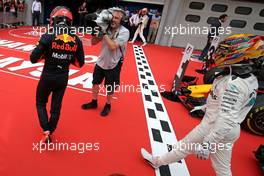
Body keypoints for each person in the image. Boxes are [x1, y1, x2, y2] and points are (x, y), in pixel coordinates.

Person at [141, 49, 264, 175]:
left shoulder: (234, 84)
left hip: (214, 126)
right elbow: (235, 105)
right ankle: (158, 161)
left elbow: (226, 118)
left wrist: (208, 144)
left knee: (183, 147)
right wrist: (206, 106)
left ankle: (157, 161)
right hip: (231, 130)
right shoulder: (251, 79)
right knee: (223, 168)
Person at [30, 6, 85, 143]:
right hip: (62, 78)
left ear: (54, 20)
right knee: (56, 107)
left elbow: (33, 58)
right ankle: (51, 129)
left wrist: (47, 54)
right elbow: (80, 64)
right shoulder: (76, 39)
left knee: (40, 102)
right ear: (70, 22)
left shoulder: (48, 35)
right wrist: (67, 56)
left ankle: (46, 130)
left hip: (47, 76)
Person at [81, 8, 129, 117]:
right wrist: (95, 30)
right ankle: (94, 102)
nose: (113, 20)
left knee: (110, 86)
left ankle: (108, 104)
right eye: (112, 17)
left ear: (121, 20)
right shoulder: (105, 27)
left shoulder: (124, 32)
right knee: (95, 82)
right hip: (101, 60)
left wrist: (104, 32)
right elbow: (93, 43)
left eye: (117, 18)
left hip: (114, 63)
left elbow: (112, 46)